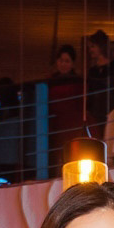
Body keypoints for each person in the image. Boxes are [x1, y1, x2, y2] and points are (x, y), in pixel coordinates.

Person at [86, 29, 114, 132]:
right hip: (97, 114)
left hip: (113, 111)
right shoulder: (93, 71)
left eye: (93, 46)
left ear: (101, 47)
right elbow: (90, 93)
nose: (90, 50)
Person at [48, 45, 83, 174]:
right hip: (54, 124)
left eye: (67, 61)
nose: (63, 64)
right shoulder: (49, 81)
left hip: (72, 124)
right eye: (61, 60)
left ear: (72, 64)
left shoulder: (78, 82)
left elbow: (81, 104)